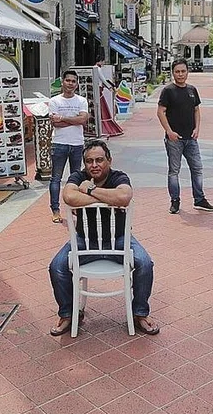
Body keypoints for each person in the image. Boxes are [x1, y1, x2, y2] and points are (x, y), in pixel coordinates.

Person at [48, 140, 160, 336]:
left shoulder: (118, 177)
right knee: (57, 267)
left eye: (99, 160)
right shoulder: (78, 176)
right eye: (89, 161)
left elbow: (124, 197)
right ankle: (68, 314)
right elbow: (69, 197)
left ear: (109, 160)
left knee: (145, 264)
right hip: (84, 240)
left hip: (119, 239)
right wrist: (108, 198)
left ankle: (140, 313)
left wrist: (89, 190)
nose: (94, 165)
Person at [157, 58, 213, 214]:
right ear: (173, 73)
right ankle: (175, 201)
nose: (180, 74)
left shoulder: (192, 90)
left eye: (183, 71)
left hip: (191, 138)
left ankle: (199, 199)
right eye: (177, 71)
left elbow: (196, 110)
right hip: (174, 139)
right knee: (174, 171)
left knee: (197, 169)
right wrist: (169, 132)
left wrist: (197, 128)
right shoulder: (168, 91)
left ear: (187, 72)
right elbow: (160, 112)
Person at [48, 70, 90, 223]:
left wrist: (63, 118)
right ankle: (55, 210)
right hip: (59, 143)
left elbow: (83, 120)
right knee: (56, 178)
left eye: (73, 81)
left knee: (76, 177)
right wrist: (75, 119)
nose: (70, 84)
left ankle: (76, 207)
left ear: (77, 84)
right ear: (63, 82)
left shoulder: (81, 100)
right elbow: (55, 123)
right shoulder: (54, 101)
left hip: (77, 144)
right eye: (68, 80)